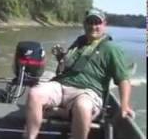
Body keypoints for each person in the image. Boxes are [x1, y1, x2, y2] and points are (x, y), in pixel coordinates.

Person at [25, 9, 135, 139]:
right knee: (35, 93)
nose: (93, 26)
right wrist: (61, 57)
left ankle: (63, 113)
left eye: (97, 23)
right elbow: (68, 64)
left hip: (88, 92)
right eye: (90, 22)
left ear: (104, 24)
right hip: (62, 85)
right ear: (84, 24)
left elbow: (123, 79)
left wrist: (124, 105)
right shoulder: (79, 42)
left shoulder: (111, 49)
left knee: (82, 106)